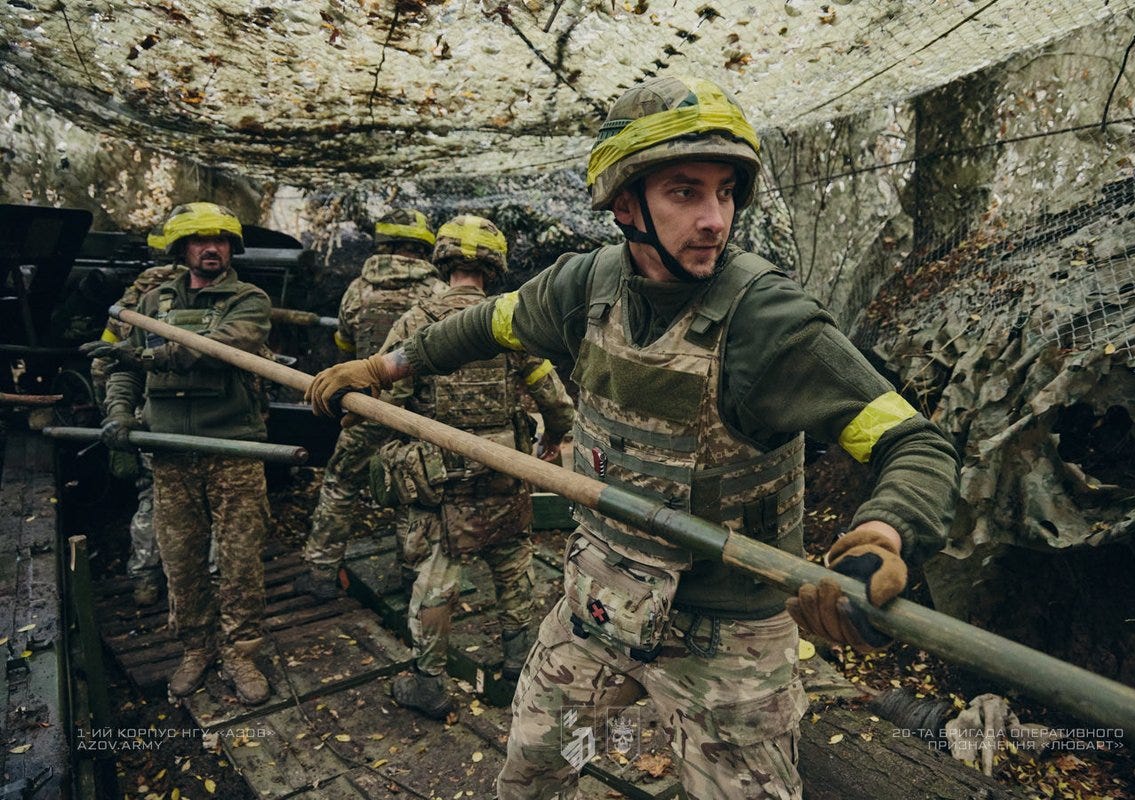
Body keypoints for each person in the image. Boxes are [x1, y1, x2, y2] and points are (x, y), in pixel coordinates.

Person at [306, 77, 959, 799]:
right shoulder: (582, 289)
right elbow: (483, 324)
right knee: (532, 771)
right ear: (624, 204)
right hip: (597, 606)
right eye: (685, 192)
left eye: (726, 193)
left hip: (727, 641)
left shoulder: (770, 324)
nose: (714, 220)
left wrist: (882, 537)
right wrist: (383, 367)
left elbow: (914, 443)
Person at [368, 214, 575, 719]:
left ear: (442, 260)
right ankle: (519, 665)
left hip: (441, 482)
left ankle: (428, 682)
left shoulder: (415, 323)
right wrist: (550, 440)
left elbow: (383, 401)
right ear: (494, 264)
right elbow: (557, 402)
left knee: (437, 579)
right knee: (514, 569)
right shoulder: (511, 322)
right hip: (504, 472)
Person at [103, 201, 274, 706]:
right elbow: (124, 370)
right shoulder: (151, 302)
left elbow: (216, 348)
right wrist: (119, 414)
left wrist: (148, 354)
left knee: (240, 561)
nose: (211, 249)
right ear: (182, 249)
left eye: (220, 240)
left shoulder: (249, 300)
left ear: (232, 248)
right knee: (181, 562)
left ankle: (240, 652)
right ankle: (196, 647)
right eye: (200, 240)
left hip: (233, 451)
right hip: (171, 454)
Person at [294, 208, 447, 598]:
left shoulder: (358, 290)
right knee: (414, 490)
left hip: (364, 410)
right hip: (416, 414)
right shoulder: (437, 293)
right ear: (423, 247)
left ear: (382, 244)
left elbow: (344, 350)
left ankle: (321, 573)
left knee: (340, 483)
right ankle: (413, 577)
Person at [82, 260, 186, 607]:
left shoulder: (125, 308)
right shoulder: (179, 305)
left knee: (150, 498)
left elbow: (101, 367)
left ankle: (145, 578)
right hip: (167, 414)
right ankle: (191, 580)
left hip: (142, 416)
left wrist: (113, 413)